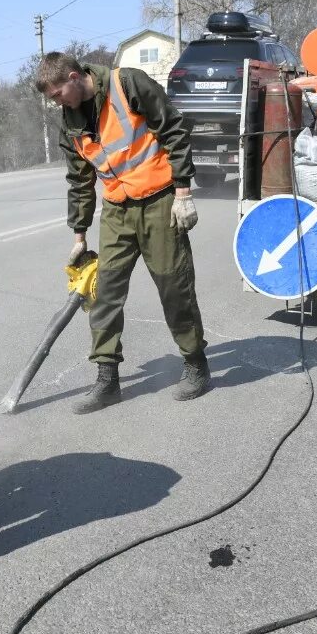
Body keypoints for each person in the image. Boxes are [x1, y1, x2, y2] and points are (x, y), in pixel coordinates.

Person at [35, 52, 210, 414]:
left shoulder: (127, 83)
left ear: (73, 76)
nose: (56, 103)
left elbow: (174, 128)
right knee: (104, 293)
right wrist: (79, 234)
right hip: (117, 208)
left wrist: (183, 191)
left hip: (160, 200)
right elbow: (80, 180)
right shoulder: (69, 121)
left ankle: (195, 364)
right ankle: (107, 379)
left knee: (173, 286)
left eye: (57, 94)